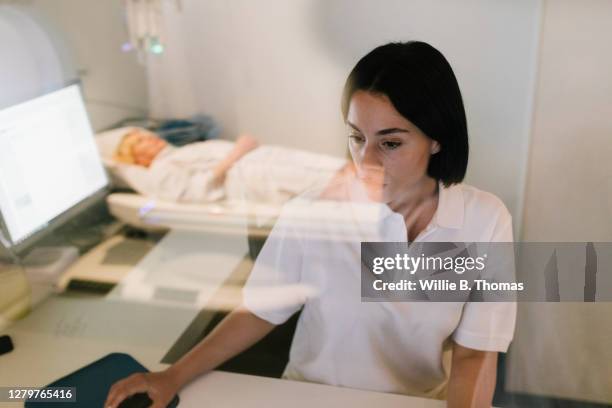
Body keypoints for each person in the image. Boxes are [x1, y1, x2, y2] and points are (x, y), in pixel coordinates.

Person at [105, 41, 515, 408]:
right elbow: (260, 310)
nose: (366, 162)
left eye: (390, 143)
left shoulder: (484, 221)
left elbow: (476, 352)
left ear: (436, 138)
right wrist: (172, 375)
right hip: (309, 395)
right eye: (357, 138)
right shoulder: (314, 211)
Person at [101, 128, 347, 204]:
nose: (149, 138)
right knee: (342, 184)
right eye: (139, 142)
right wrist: (238, 152)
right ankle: (385, 283)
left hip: (265, 158)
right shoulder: (160, 173)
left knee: (345, 169)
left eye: (145, 135)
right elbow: (197, 191)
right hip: (255, 176)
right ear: (133, 158)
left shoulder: (180, 153)